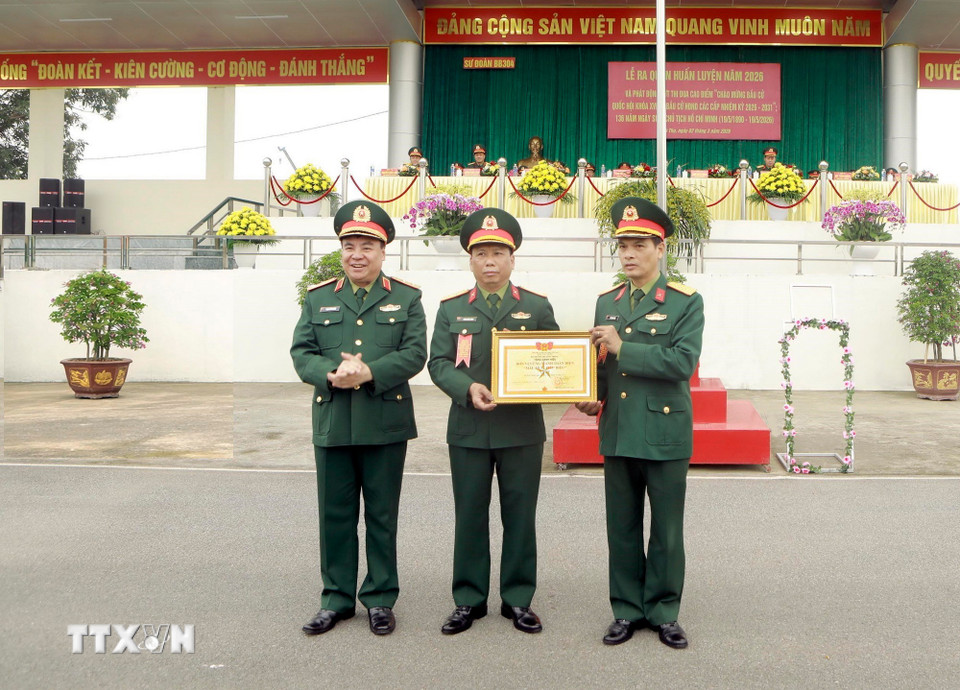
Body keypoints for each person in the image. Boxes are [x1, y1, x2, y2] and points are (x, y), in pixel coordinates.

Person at [291, 200, 427, 637]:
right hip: (333, 420)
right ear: (341, 250)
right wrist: (329, 375)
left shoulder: (406, 298)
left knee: (382, 515)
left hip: (385, 422)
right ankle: (336, 599)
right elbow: (301, 353)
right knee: (334, 515)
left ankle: (381, 599)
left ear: (383, 250)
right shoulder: (318, 299)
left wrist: (370, 372)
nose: (357, 254)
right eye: (349, 245)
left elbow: (414, 353)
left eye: (367, 245)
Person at [576, 197, 704, 650]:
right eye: (623, 246)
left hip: (665, 431)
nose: (628, 254)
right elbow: (600, 366)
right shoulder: (606, 302)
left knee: (667, 529)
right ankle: (627, 610)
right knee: (622, 527)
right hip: (618, 430)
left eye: (638, 245)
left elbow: (682, 362)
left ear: (660, 248)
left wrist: (624, 346)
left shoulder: (686, 302)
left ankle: (664, 611)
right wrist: (594, 396)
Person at [428, 208, 560, 636]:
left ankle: (518, 598)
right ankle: (468, 599)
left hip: (521, 429)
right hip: (468, 428)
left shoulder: (537, 306)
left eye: (498, 253)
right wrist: (466, 388)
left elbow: (556, 359)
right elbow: (439, 363)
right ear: (470, 259)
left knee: (520, 515)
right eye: (481, 253)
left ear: (512, 259)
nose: (489, 261)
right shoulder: (451, 310)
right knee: (469, 514)